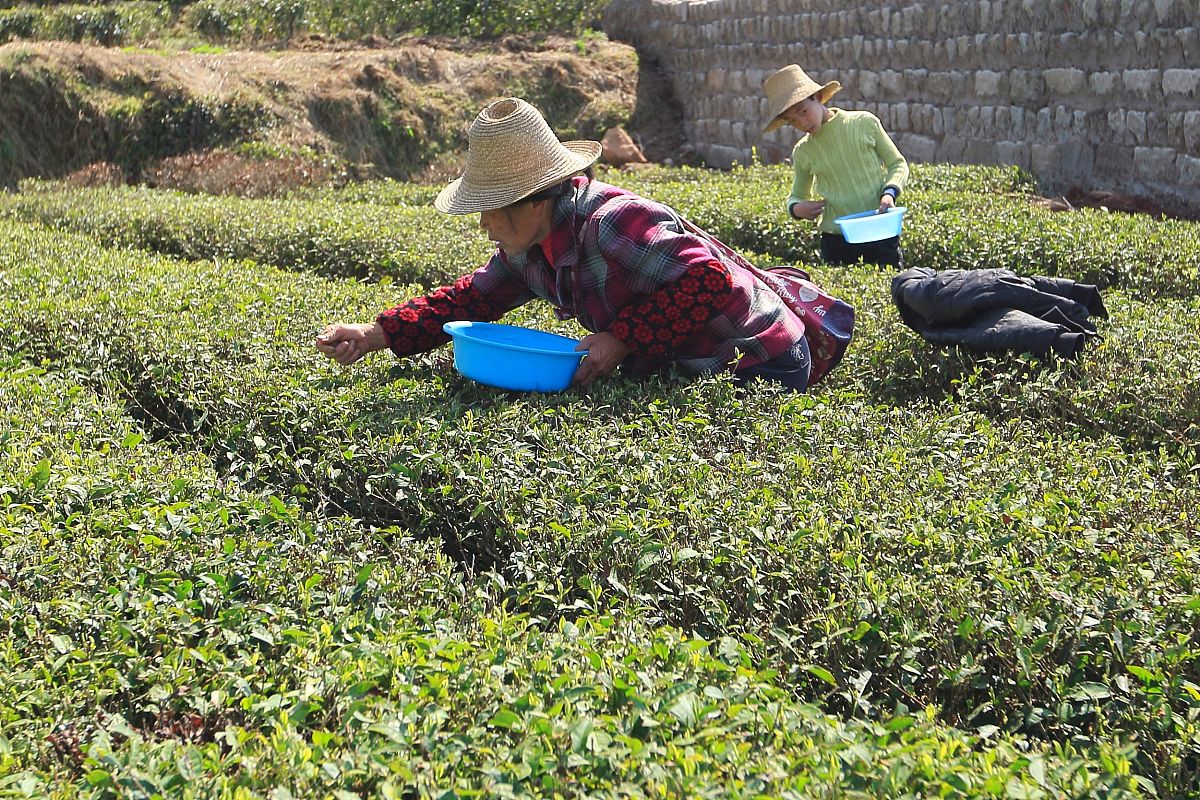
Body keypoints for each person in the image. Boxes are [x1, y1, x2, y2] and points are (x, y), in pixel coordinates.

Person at [316, 97, 853, 392]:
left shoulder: (614, 222)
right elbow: (470, 299)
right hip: (689, 352)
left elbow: (711, 279)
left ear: (531, 201)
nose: (483, 226)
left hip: (759, 356)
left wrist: (620, 338)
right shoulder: (529, 248)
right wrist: (375, 333)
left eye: (488, 209)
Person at [763, 64, 909, 269]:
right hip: (836, 242)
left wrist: (889, 193)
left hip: (880, 231)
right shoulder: (803, 151)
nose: (802, 123)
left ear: (819, 97)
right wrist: (797, 209)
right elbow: (796, 196)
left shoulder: (864, 123)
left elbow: (898, 164)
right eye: (792, 121)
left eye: (803, 112)